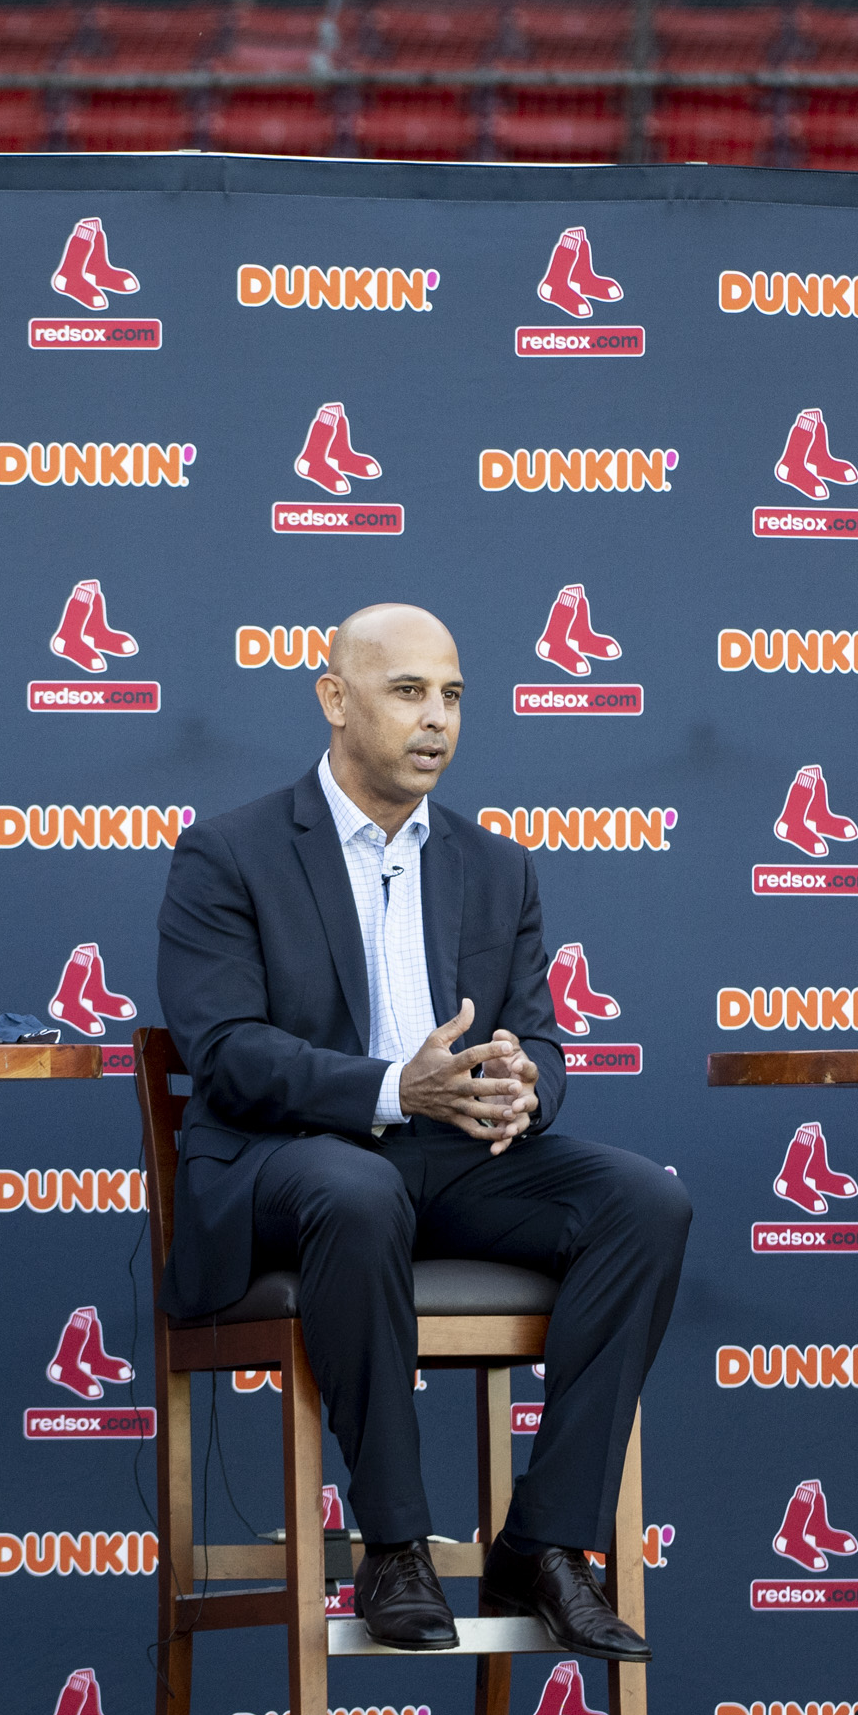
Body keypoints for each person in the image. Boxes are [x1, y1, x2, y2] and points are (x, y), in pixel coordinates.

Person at [156, 603, 690, 1658]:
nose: (436, 718)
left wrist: (526, 1085)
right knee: (360, 1190)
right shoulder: (229, 852)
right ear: (335, 697)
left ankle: (543, 1542)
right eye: (408, 692)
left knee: (643, 1201)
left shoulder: (497, 866)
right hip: (283, 1163)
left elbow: (536, 1036)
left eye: (452, 695)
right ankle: (392, 1542)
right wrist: (396, 1087)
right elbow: (227, 1054)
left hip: (445, 1163)